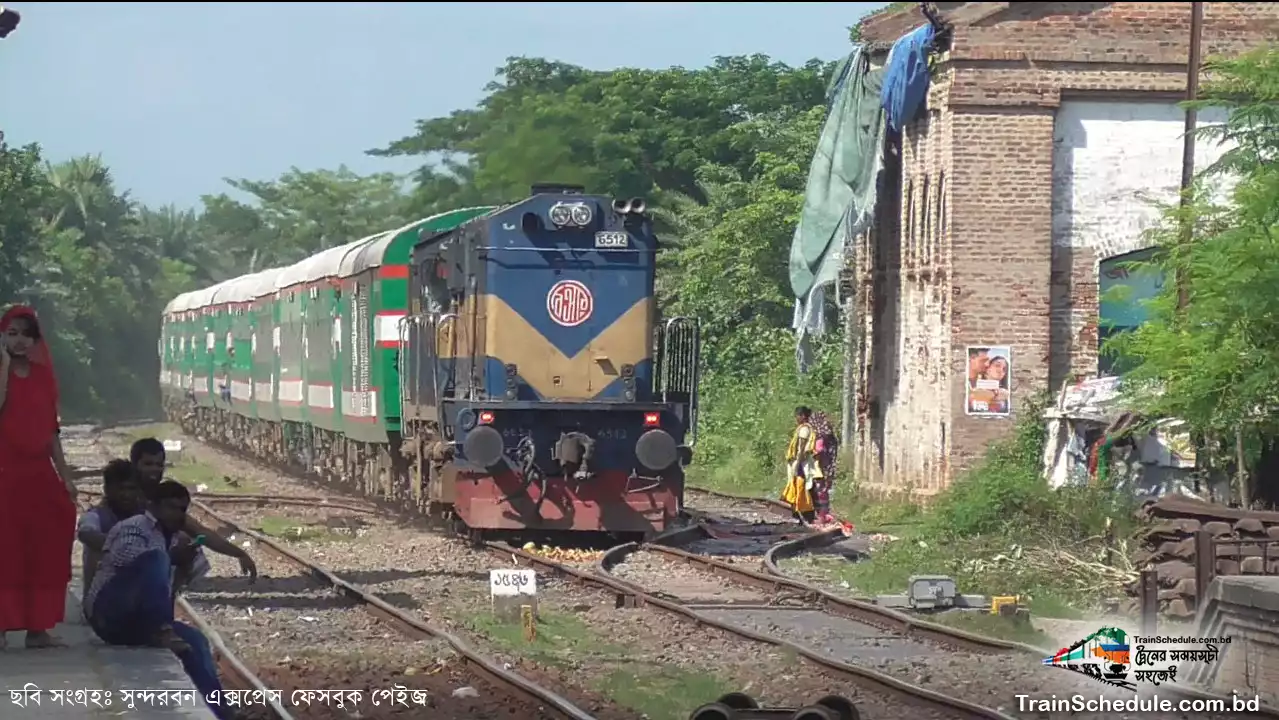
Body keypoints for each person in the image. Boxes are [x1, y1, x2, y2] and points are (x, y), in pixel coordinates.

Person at [85, 481, 231, 719]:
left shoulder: (177, 539)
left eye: (182, 509)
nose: (177, 514)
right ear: (153, 507)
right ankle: (163, 630)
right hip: (108, 614)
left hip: (139, 623)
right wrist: (170, 557)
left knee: (197, 642)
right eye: (171, 507)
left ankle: (221, 712)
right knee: (155, 558)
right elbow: (128, 560)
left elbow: (169, 590)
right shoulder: (134, 528)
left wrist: (183, 565)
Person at [0, 305, 77, 650]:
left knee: (45, 547)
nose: (18, 340)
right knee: (6, 550)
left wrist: (66, 476)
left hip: (37, 475)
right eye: (11, 333)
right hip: (4, 473)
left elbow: (51, 432)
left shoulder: (44, 377)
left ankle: (37, 627)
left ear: (35, 340)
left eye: (25, 334)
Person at [130, 437, 255, 584]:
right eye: (148, 464)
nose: (154, 470)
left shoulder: (160, 495)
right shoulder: (127, 493)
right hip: (125, 561)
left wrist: (239, 553)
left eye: (159, 465)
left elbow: (200, 532)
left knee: (186, 542)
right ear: (134, 465)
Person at [77, 459, 144, 596]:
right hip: (101, 602)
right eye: (121, 488)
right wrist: (122, 545)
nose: (126, 495)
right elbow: (85, 532)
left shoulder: (146, 517)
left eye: (131, 489)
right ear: (107, 489)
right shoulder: (97, 516)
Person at [781, 406, 820, 524]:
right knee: (799, 486)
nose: (796, 418)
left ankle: (805, 513)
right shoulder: (803, 428)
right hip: (801, 462)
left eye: (797, 416)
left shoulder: (804, 429)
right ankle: (801, 513)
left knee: (801, 487)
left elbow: (801, 448)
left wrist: (797, 463)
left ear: (803, 416)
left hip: (802, 463)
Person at [807, 409, 840, 527]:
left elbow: (818, 450)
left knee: (819, 493)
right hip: (827, 468)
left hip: (819, 470)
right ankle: (823, 515)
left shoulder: (819, 436)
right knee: (824, 492)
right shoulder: (830, 437)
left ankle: (821, 517)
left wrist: (810, 453)